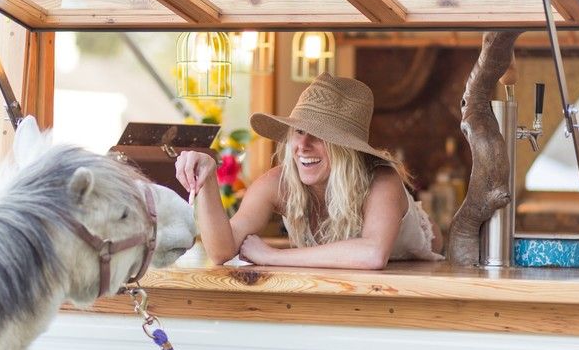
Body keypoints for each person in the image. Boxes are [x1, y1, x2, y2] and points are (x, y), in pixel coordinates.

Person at [175, 73, 443, 269]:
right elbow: (222, 251)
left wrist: (273, 256)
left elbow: (372, 254)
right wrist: (208, 180)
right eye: (299, 131)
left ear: (346, 148)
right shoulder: (277, 183)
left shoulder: (382, 180)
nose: (303, 146)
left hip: (420, 265)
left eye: (318, 136)